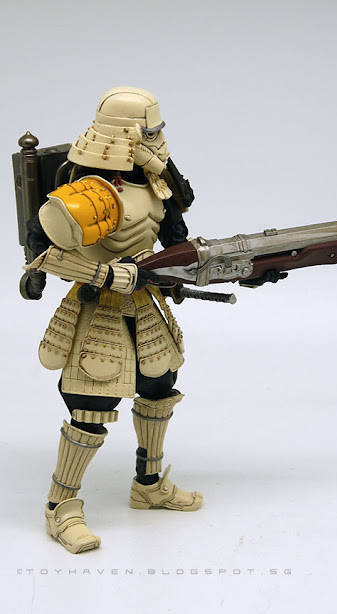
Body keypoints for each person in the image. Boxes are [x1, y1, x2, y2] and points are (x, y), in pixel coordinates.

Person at [25, 86, 202, 554]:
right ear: (125, 136)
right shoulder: (83, 188)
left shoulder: (155, 181)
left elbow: (176, 238)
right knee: (90, 407)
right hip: (97, 308)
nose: (157, 140)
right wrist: (106, 273)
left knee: (159, 388)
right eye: (149, 132)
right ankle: (61, 507)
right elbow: (44, 253)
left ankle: (149, 484)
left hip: (145, 303)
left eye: (158, 131)